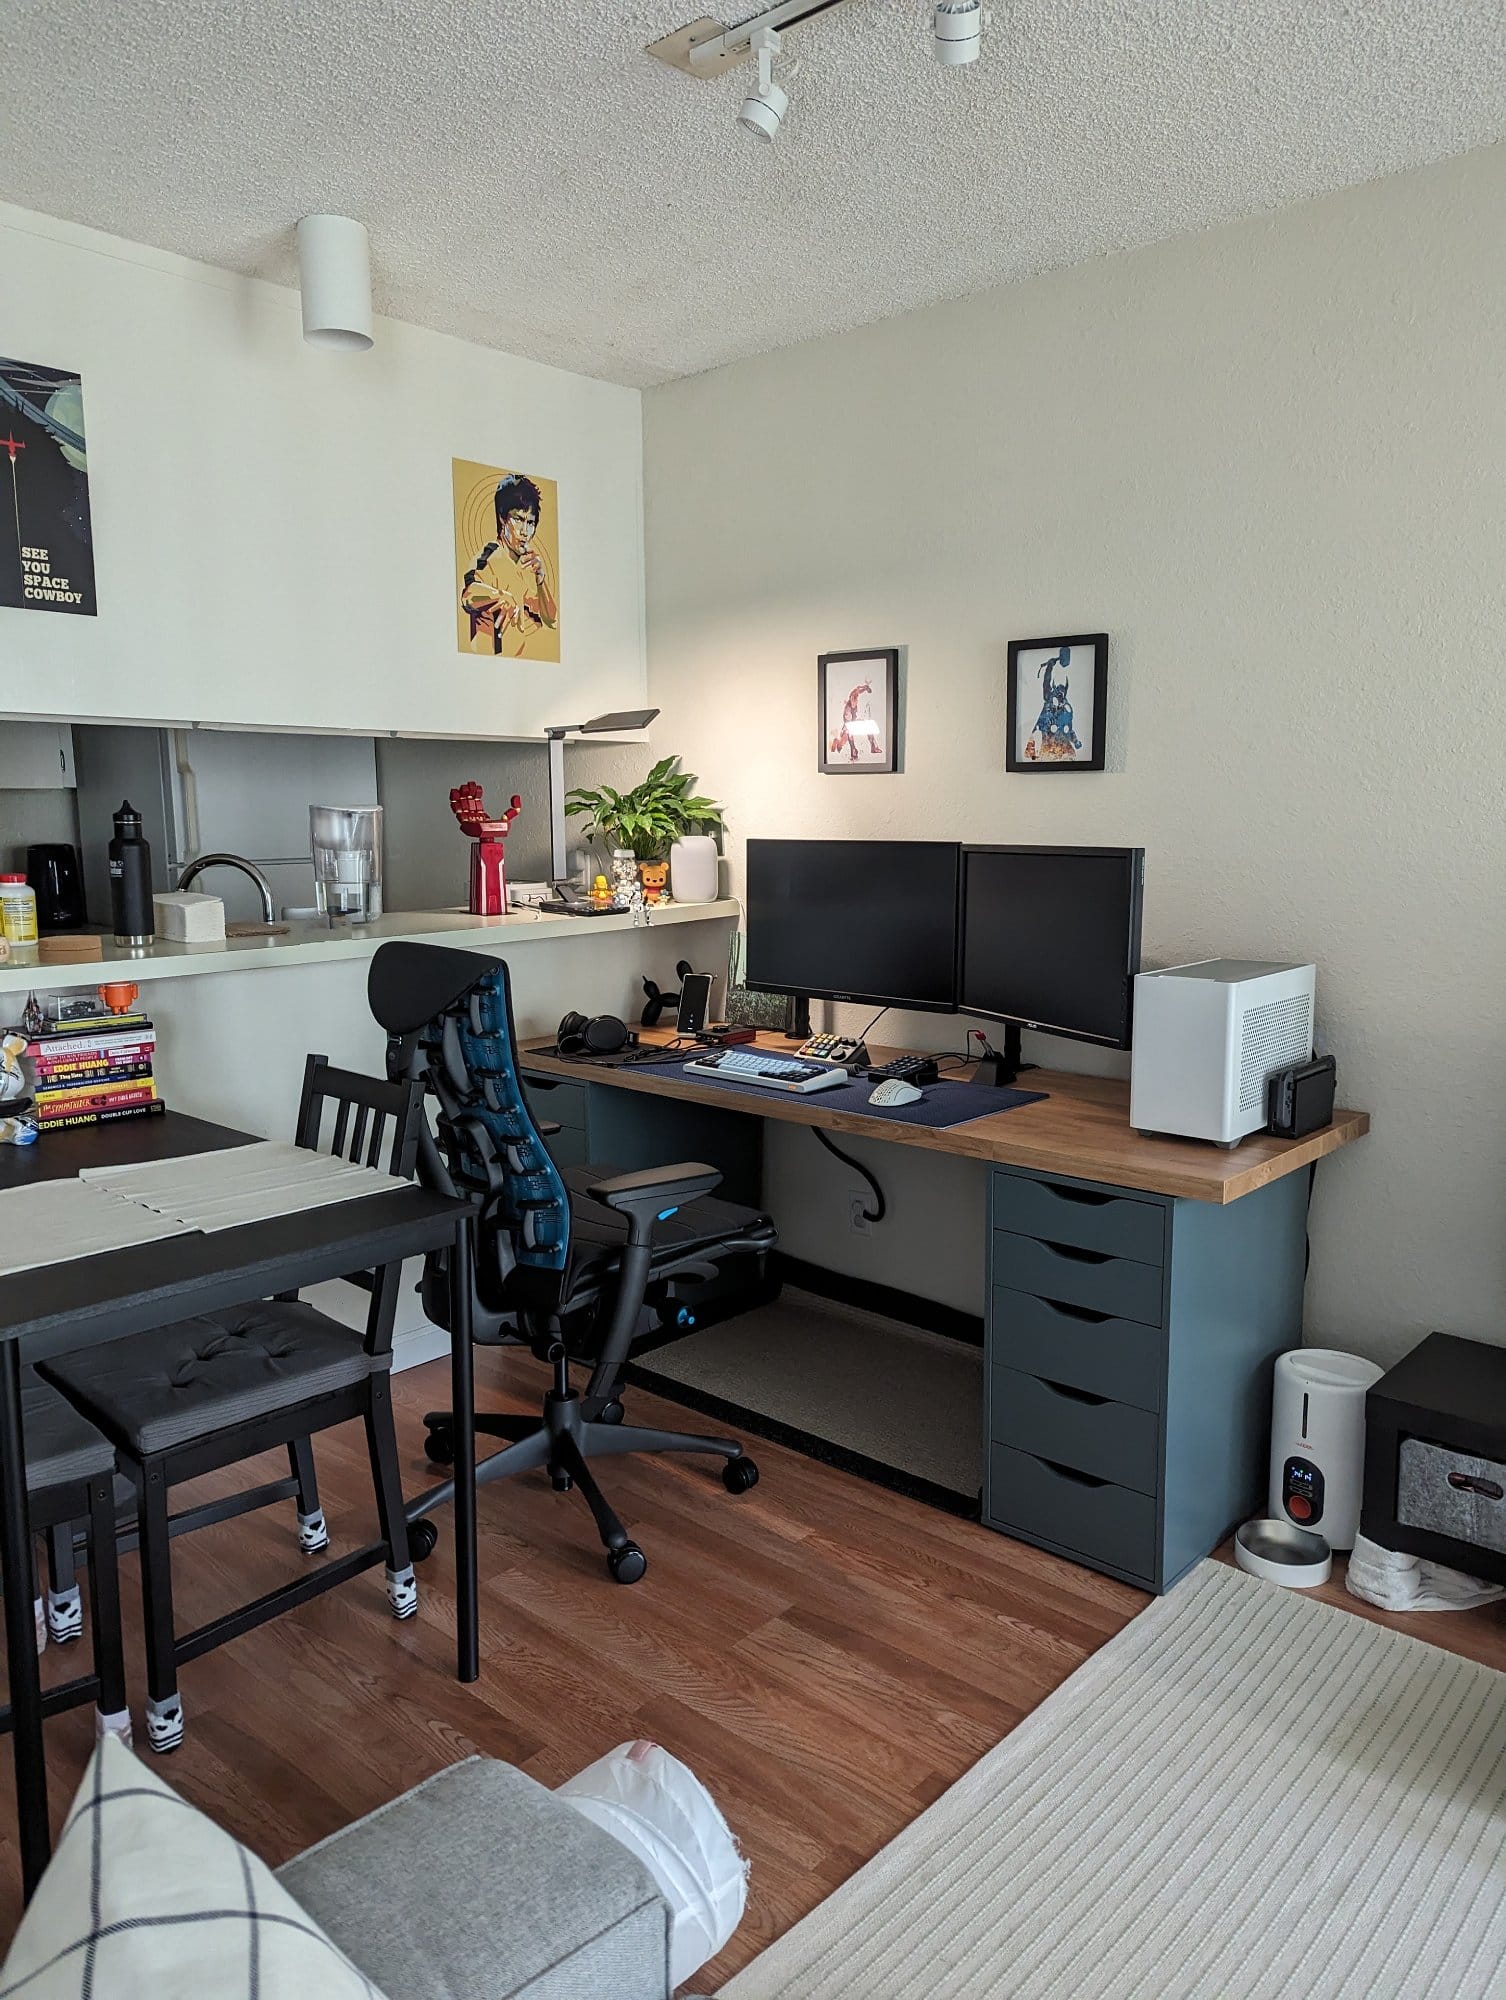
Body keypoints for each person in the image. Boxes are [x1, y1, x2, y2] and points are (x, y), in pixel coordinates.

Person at [461, 472, 559, 657]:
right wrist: (500, 596)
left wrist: (541, 580)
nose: (525, 531)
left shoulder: (527, 566)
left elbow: (552, 620)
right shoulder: (490, 556)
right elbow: (468, 595)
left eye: (530, 522)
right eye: (518, 519)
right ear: (502, 518)